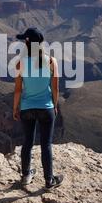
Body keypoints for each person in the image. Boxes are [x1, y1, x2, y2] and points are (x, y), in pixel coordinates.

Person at [13, 27, 64, 190]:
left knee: (27, 142)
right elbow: (55, 88)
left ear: (27, 44)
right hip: (46, 108)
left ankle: (26, 175)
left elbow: (18, 89)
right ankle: (49, 180)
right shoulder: (51, 61)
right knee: (46, 144)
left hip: (27, 108)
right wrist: (55, 105)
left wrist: (15, 108)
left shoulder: (20, 62)